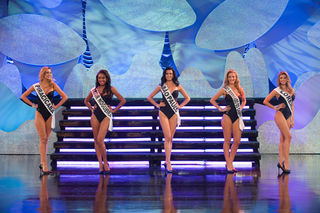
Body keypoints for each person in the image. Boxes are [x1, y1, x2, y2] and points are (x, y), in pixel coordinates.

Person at [21, 66, 68, 175]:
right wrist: (32, 104)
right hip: (40, 113)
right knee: (43, 138)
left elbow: (65, 97)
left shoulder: (53, 85)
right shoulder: (36, 86)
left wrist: (56, 106)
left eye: (50, 73)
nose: (49, 74)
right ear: (43, 74)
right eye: (47, 73)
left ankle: (43, 163)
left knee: (46, 139)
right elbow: (24, 96)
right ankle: (44, 164)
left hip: (50, 114)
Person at [147, 67, 190, 173]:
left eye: (170, 73)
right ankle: (168, 162)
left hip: (174, 112)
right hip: (163, 112)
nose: (169, 75)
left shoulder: (177, 86)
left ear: (173, 75)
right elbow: (150, 97)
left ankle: (167, 160)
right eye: (167, 74)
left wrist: (180, 106)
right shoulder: (162, 86)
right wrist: (157, 105)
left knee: (170, 138)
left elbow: (188, 98)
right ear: (164, 75)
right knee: (168, 137)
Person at [84, 69, 126, 174]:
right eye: (99, 78)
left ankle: (106, 162)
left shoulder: (111, 89)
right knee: (96, 140)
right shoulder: (94, 90)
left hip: (106, 115)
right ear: (97, 79)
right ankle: (100, 164)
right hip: (95, 115)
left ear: (106, 78)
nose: (101, 79)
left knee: (100, 139)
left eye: (103, 77)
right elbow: (86, 101)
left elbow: (122, 100)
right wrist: (92, 109)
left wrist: (114, 110)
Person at [210, 69, 246, 173]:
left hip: (237, 116)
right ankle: (229, 164)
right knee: (227, 140)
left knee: (237, 141)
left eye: (233, 77)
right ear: (227, 78)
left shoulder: (240, 89)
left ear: (236, 78)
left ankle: (229, 162)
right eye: (230, 77)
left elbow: (244, 100)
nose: (231, 78)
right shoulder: (225, 89)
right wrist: (221, 109)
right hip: (228, 117)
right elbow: (212, 100)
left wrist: (241, 107)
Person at [263, 71, 295, 173]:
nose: (282, 80)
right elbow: (265, 101)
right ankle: (286, 163)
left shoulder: (291, 90)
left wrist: (292, 119)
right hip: (280, 114)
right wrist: (275, 108)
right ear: (279, 80)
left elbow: (292, 106)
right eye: (280, 78)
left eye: (284, 78)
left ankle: (280, 162)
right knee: (288, 137)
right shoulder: (277, 91)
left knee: (283, 138)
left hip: (289, 115)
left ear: (287, 79)